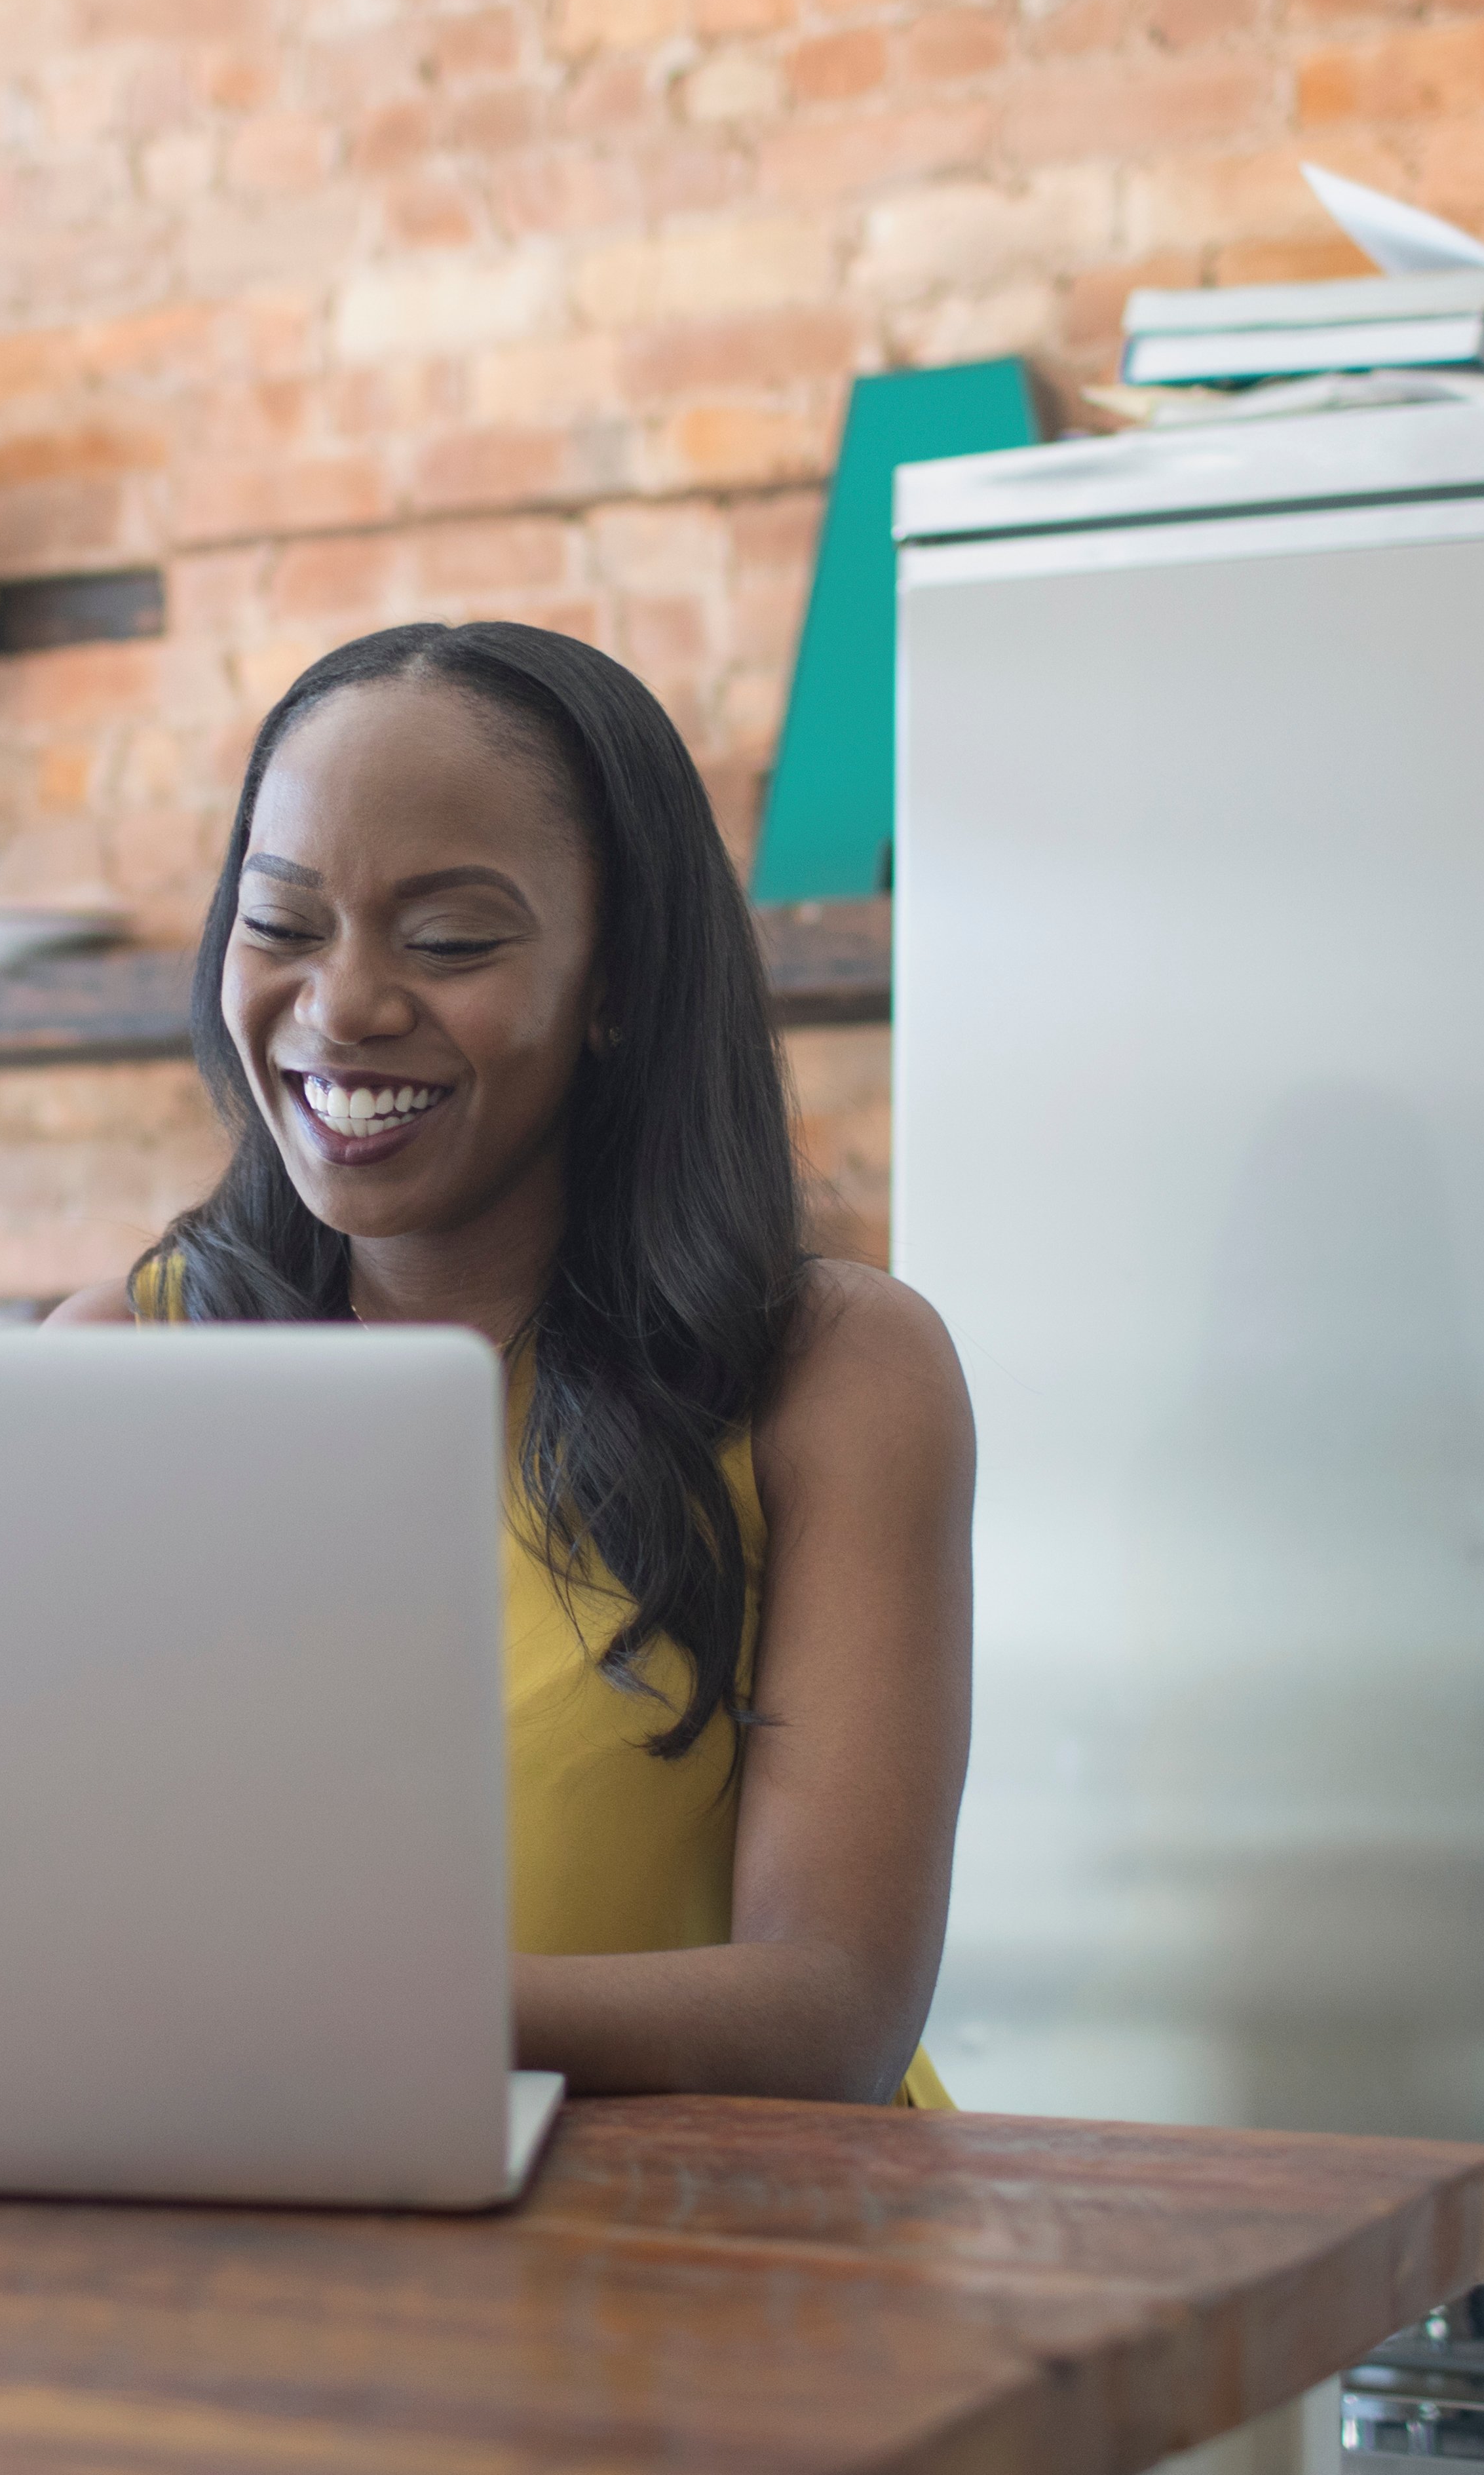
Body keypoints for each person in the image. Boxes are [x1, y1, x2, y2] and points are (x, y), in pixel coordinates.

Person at [54, 621, 977, 2105]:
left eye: (448, 942)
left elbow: (835, 2007)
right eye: (283, 924)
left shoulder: (836, 1374)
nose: (342, 1004)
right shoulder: (116, 1369)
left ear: (617, 979)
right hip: (272, 2235)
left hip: (749, 2271)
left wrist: (335, 2009)